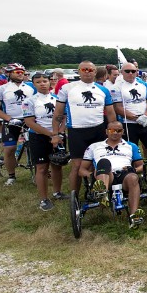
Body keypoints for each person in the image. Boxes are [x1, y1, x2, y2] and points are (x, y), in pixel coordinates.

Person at [51, 61, 117, 197]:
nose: (87, 72)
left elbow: (110, 113)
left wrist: (114, 131)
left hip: (98, 130)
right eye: (84, 69)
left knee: (98, 163)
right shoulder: (67, 88)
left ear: (95, 72)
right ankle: (74, 196)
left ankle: (97, 190)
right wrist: (55, 134)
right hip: (77, 131)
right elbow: (58, 113)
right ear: (79, 71)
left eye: (90, 70)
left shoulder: (103, 90)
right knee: (77, 166)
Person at [79, 121, 146, 229]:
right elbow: (81, 170)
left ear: (123, 132)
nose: (115, 133)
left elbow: (142, 166)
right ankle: (103, 195)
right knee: (104, 162)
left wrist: (134, 169)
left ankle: (134, 217)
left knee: (133, 177)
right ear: (106, 131)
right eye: (112, 130)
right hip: (105, 174)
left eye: (119, 130)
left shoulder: (131, 146)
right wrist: (92, 175)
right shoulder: (94, 147)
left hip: (124, 173)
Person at [22, 72, 66, 209]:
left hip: (58, 136)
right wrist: (51, 134)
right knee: (42, 168)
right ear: (34, 84)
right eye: (38, 82)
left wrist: (59, 133)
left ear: (50, 82)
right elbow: (29, 122)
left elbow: (64, 117)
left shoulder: (57, 98)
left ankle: (57, 192)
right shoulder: (29, 101)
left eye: (45, 81)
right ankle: (44, 199)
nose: (42, 84)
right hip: (39, 136)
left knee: (57, 165)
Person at [0, 63, 37, 185]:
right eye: (17, 72)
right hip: (11, 120)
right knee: (10, 148)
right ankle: (11, 176)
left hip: (29, 119)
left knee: (36, 145)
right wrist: (9, 119)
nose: (21, 74)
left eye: (22, 72)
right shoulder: (1, 89)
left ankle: (39, 172)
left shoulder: (31, 87)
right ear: (9, 73)